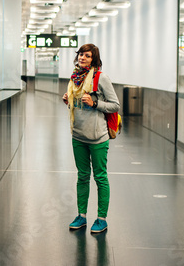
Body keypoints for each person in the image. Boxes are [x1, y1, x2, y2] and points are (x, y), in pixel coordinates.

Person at [62, 44, 120, 234]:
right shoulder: (75, 78)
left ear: (93, 59)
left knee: (100, 177)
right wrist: (69, 100)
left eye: (87, 55)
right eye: (80, 54)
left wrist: (95, 103)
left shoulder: (100, 78)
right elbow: (77, 102)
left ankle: (101, 219)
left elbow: (114, 105)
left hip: (97, 137)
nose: (82, 58)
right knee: (82, 176)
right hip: (78, 135)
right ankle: (82, 216)